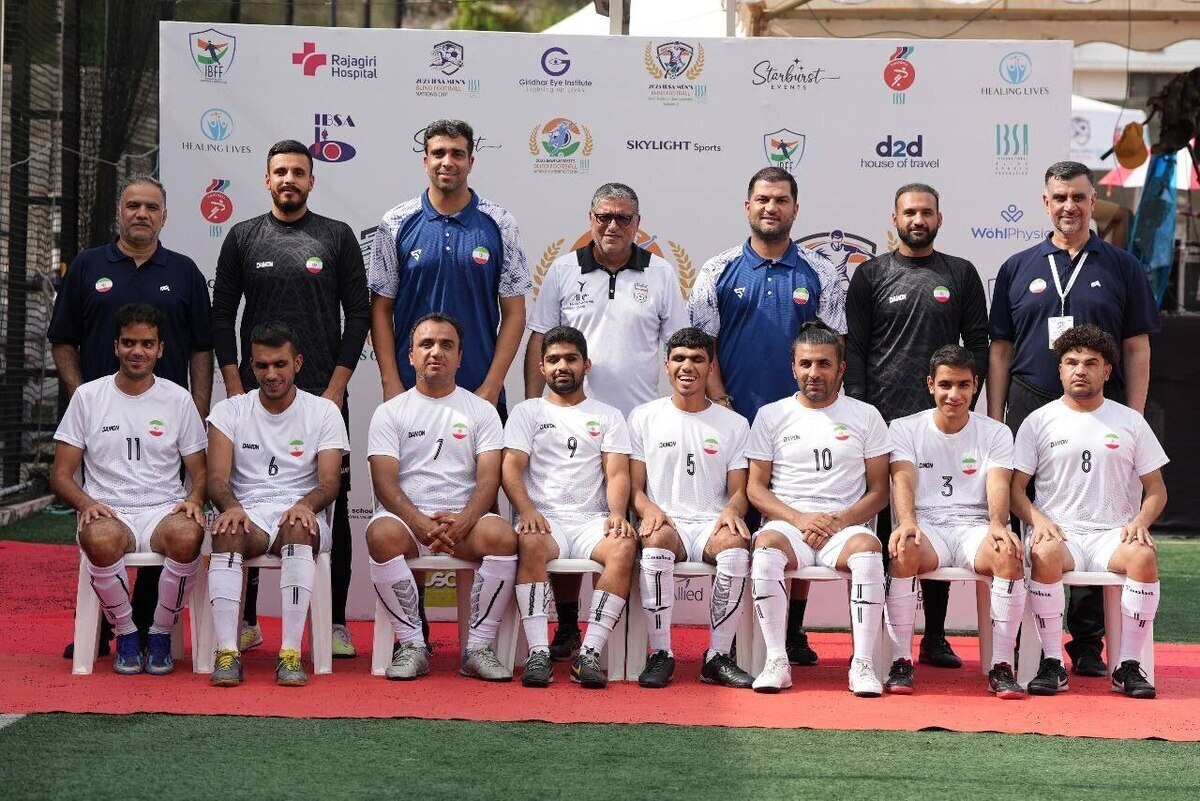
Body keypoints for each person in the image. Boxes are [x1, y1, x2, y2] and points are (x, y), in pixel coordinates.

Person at [988, 161, 1160, 677]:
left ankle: (1086, 642)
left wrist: (1134, 415)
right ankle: (1030, 637)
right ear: (1046, 202)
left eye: (1080, 197)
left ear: (1094, 202)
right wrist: (996, 418)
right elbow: (1000, 349)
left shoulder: (1123, 266)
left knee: (1101, 513)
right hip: (1029, 399)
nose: (1069, 206)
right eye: (1060, 197)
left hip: (1101, 410)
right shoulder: (1018, 266)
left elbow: (1136, 345)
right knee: (1032, 518)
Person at [369, 119, 529, 649]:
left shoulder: (499, 221)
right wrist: (392, 379)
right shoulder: (396, 221)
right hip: (412, 391)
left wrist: (491, 385)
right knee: (404, 500)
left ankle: (479, 641)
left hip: (478, 394)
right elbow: (382, 306)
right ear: (425, 159)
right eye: (438, 153)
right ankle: (408, 638)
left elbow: (514, 308)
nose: (447, 162)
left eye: (457, 153)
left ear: (471, 160)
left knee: (483, 514)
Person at [211, 139, 370, 660]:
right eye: (280, 171)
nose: (289, 180)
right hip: (256, 396)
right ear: (267, 179)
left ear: (311, 180)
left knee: (332, 501)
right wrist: (235, 384)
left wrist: (338, 386)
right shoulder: (242, 237)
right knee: (247, 498)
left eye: (298, 172)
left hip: (321, 395)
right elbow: (221, 315)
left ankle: (336, 621)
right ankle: (250, 621)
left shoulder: (337, 236)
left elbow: (359, 315)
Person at [48, 175, 212, 660]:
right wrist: (88, 399)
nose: (142, 214)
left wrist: (196, 413)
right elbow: (62, 340)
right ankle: (105, 631)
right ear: (119, 212)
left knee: (174, 527)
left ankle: (148, 630)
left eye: (152, 207)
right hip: (101, 422)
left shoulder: (183, 271)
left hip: (167, 417)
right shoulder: (87, 265)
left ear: (165, 215)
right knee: (102, 526)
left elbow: (202, 348)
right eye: (133, 206)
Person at [690, 166, 849, 667]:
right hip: (733, 422)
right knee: (737, 530)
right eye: (762, 199)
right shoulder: (717, 270)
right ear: (747, 206)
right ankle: (732, 637)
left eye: (781, 200)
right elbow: (701, 345)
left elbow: (832, 345)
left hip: (799, 423)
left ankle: (792, 632)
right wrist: (720, 404)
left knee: (795, 528)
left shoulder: (822, 271)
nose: (770, 208)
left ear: (795, 209)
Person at [524, 181, 688, 661]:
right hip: (569, 421)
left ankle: (635, 636)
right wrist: (533, 411)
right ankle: (569, 628)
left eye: (623, 218)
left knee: (622, 530)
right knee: (567, 520)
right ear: (590, 219)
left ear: (638, 223)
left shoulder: (660, 273)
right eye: (603, 217)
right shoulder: (560, 270)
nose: (612, 226)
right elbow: (539, 344)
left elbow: (677, 345)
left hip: (636, 426)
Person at [845, 183, 990, 670]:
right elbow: (856, 349)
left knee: (937, 521)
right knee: (889, 527)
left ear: (939, 218)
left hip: (941, 424)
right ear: (895, 218)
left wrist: (962, 407)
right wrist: (863, 413)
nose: (918, 219)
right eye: (909, 212)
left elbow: (980, 345)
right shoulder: (870, 275)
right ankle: (886, 638)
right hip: (884, 421)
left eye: (926, 211)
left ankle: (935, 637)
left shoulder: (962, 274)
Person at [49, 303, 207, 675]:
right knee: (100, 540)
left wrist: (195, 500)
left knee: (188, 536)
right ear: (116, 346)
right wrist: (86, 502)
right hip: (109, 508)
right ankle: (126, 633)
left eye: (147, 344)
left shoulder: (178, 398)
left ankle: (160, 633)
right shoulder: (88, 397)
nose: (138, 351)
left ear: (161, 349)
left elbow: (200, 472)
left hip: (161, 508)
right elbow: (60, 474)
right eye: (130, 343)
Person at [1012, 325, 1167, 699]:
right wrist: (1038, 519)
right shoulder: (1038, 421)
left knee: (1144, 556)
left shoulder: (1130, 421)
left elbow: (1157, 489)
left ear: (1107, 371)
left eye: (1090, 363)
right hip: (1060, 533)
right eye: (1071, 362)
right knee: (1043, 553)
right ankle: (1052, 661)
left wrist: (1141, 521)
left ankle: (1127, 665)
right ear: (1060, 370)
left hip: (1111, 534)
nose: (1080, 370)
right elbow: (1015, 490)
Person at [366, 313, 519, 682]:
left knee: (502, 537)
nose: (436, 352)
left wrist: (463, 520)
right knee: (381, 535)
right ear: (411, 356)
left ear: (460, 357)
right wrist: (420, 522)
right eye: (427, 344)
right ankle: (412, 645)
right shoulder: (390, 412)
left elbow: (488, 478)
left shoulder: (481, 411)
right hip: (408, 523)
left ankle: (477, 648)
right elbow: (384, 482)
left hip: (463, 523)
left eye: (447, 345)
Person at [744, 321, 889, 695]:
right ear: (793, 367)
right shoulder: (771, 415)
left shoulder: (866, 415)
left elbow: (879, 492)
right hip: (789, 525)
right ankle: (777, 660)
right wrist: (800, 518)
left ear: (841, 369)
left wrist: (837, 521)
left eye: (824, 364)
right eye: (806, 364)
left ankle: (863, 665)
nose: (814, 373)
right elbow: (755, 489)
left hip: (845, 527)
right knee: (766, 548)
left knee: (870, 551)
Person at [205, 322, 349, 687]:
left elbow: (331, 481)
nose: (271, 374)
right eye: (262, 366)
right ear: (251, 366)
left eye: (280, 364)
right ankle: (226, 651)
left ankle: (289, 653)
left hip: (300, 514)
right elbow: (217, 480)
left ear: (297, 362)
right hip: (249, 512)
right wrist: (231, 507)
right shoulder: (229, 411)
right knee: (226, 528)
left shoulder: (323, 411)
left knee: (299, 526)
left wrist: (304, 504)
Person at [884, 345, 1026, 699]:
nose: (954, 394)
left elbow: (998, 482)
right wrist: (907, 522)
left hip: (973, 526)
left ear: (976, 385)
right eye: (946, 384)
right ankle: (901, 660)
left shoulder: (995, 432)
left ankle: (1002, 665)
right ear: (930, 384)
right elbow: (902, 479)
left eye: (963, 385)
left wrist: (998, 524)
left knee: (1007, 554)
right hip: (928, 525)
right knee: (903, 549)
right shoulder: (904, 428)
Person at [502, 326, 637, 690]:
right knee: (529, 542)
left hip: (592, 521)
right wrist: (527, 511)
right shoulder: (527, 412)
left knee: (624, 546)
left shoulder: (608, 415)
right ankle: (538, 652)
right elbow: (511, 467)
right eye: (553, 360)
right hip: (546, 520)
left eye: (571, 359)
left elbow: (617, 471)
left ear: (586, 364)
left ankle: (588, 653)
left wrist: (617, 514)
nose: (563, 366)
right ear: (542, 369)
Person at [627, 327, 754, 689]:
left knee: (734, 546)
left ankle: (716, 657)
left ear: (710, 367)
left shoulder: (734, 422)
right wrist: (648, 508)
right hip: (669, 521)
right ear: (666, 365)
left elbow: (740, 491)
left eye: (698, 359)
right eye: (679, 358)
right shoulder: (643, 417)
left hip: (711, 524)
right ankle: (660, 653)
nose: (688, 366)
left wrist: (731, 510)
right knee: (656, 538)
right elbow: (634, 487)